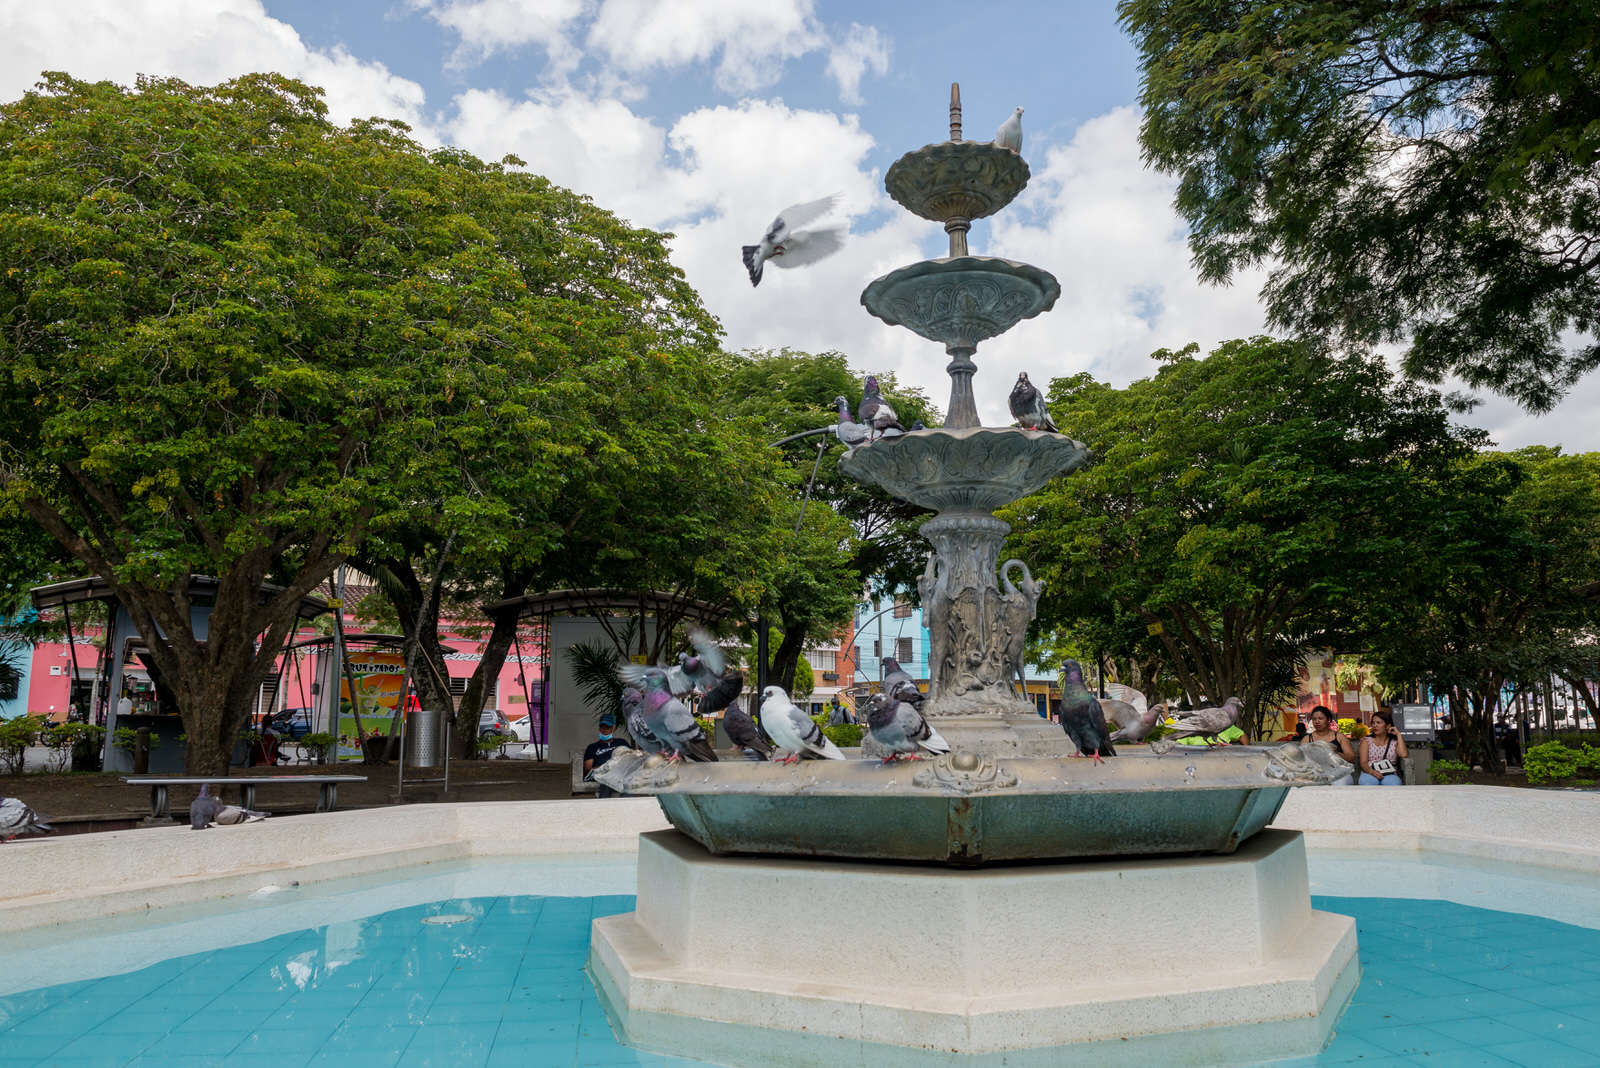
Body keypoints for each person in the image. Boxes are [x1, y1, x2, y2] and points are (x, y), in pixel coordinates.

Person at [1306, 705, 1355, 785]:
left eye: (1320, 718)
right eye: (1314, 719)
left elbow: (1352, 758)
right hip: (1317, 772)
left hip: (1338, 771)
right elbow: (1299, 761)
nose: (1317, 721)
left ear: (1329, 720)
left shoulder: (1339, 736)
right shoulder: (1307, 739)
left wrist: (1335, 753)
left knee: (1341, 783)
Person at [583, 715, 628, 798]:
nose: (604, 729)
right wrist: (606, 767)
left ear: (614, 728)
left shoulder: (621, 743)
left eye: (607, 727)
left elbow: (630, 759)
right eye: (602, 726)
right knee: (607, 779)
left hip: (620, 773)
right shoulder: (592, 747)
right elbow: (588, 769)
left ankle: (629, 807)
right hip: (602, 774)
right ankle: (603, 807)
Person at [1358, 711, 1408, 785]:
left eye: (1378, 723)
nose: (1375, 725)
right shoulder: (1366, 741)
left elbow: (1403, 754)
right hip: (1369, 772)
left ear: (1388, 726)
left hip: (1389, 774)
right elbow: (1363, 763)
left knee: (1393, 784)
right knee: (1368, 784)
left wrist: (1399, 735)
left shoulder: (1394, 742)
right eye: (1373, 723)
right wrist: (1372, 772)